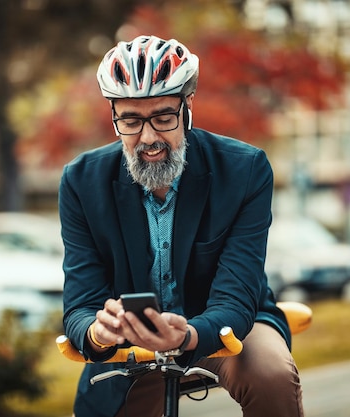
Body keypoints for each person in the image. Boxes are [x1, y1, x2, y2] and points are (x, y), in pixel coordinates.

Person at [59, 35, 304, 417]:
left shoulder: (245, 170)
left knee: (271, 374)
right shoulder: (80, 182)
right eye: (131, 120)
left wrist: (187, 335)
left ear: (187, 107)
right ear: (114, 117)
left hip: (228, 325)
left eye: (163, 117)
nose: (149, 137)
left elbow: (236, 297)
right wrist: (97, 332)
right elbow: (79, 303)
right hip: (131, 342)